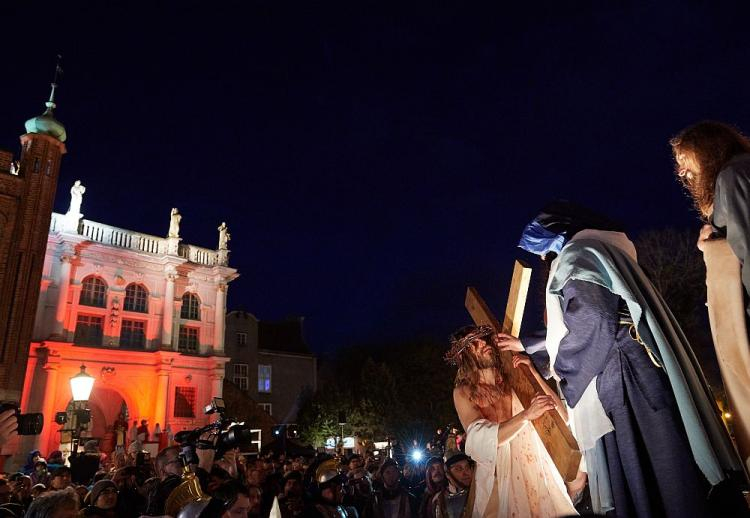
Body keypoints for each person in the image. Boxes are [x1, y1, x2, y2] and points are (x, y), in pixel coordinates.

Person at [517, 201, 747, 517]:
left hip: (624, 381)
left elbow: (594, 319)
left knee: (653, 479)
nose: (546, 259)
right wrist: (525, 344)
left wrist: (563, 373)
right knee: (672, 470)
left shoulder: (577, 256)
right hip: (639, 369)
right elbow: (595, 316)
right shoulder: (607, 252)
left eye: (546, 252)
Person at [671, 121, 750, 472]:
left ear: (709, 150)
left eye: (687, 160)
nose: (682, 171)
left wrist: (713, 246)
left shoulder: (732, 178)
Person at [447, 324, 576, 517]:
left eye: (485, 339)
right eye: (475, 342)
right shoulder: (463, 393)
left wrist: (531, 372)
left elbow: (561, 416)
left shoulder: (514, 381)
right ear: (465, 355)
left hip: (535, 474)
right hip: (497, 481)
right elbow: (479, 438)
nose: (484, 344)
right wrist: (525, 416)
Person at [433, 450, 473, 518]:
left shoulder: (477, 492)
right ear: (448, 474)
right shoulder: (439, 500)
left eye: (467, 467)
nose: (466, 473)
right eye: (458, 469)